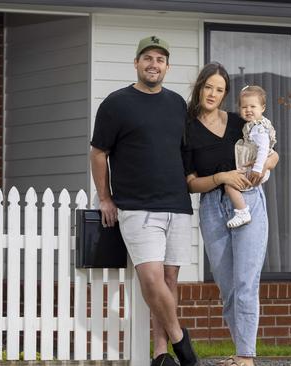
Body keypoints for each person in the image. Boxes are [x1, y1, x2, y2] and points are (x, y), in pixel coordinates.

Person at [90, 36, 198, 366]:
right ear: (136, 63)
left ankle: (161, 354)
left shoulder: (177, 103)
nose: (154, 64)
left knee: (168, 281)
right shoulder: (116, 103)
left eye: (160, 59)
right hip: (137, 207)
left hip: (177, 205)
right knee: (150, 278)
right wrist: (106, 198)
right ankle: (183, 344)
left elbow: (185, 153)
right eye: (148, 58)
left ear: (167, 67)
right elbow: (98, 153)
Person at [182, 63, 279, 366]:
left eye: (220, 89)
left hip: (248, 201)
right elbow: (190, 183)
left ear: (225, 95)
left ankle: (246, 357)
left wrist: (267, 164)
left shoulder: (241, 121)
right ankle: (241, 351)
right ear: (199, 87)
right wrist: (222, 178)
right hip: (213, 207)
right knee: (228, 287)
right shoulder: (186, 128)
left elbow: (272, 150)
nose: (213, 93)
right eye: (208, 86)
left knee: (246, 282)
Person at [225, 85, 277, 228]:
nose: (248, 110)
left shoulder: (258, 128)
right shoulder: (253, 125)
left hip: (257, 169)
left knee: (229, 185)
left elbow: (263, 149)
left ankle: (242, 212)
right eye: (244, 107)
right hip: (257, 167)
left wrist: (258, 168)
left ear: (263, 108)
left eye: (253, 106)